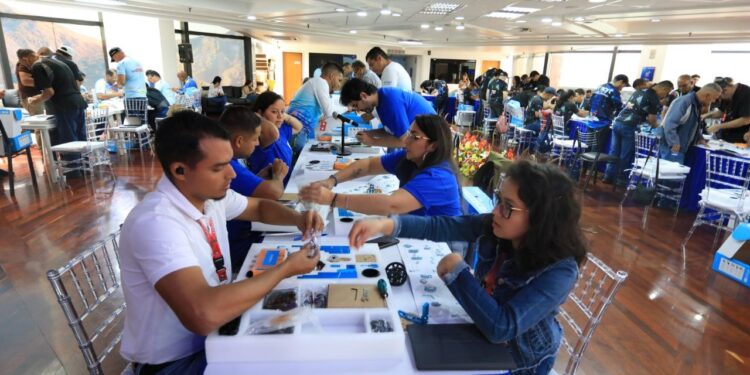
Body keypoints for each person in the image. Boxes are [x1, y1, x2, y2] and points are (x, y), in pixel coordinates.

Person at [118, 111, 323, 374]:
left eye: (229, 163)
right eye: (218, 168)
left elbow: (260, 208)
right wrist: (285, 269)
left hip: (217, 336)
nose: (232, 175)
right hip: (178, 362)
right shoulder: (157, 223)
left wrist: (299, 218)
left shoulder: (208, 196)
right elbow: (203, 314)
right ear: (179, 170)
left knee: (305, 348)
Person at [348, 161, 587, 375]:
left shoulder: (560, 271)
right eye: (498, 200)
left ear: (540, 217)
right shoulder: (497, 229)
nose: (495, 212)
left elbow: (501, 327)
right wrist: (386, 224)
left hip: (519, 360)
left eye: (508, 207)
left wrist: (457, 272)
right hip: (479, 331)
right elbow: (440, 226)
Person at [300, 114, 462, 217]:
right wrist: (331, 181)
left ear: (433, 145)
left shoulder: (438, 178)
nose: (406, 140)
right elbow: (370, 165)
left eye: (414, 136)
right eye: (409, 133)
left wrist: (334, 199)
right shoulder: (410, 158)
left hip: (443, 247)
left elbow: (391, 204)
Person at [217, 106, 290, 269]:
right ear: (239, 141)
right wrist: (278, 176)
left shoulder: (233, 161)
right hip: (239, 243)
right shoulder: (229, 165)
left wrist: (258, 178)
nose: (258, 143)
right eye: (255, 138)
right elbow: (274, 193)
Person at [601, 80, 674, 185]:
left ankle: (608, 176)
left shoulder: (640, 90)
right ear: (664, 89)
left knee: (614, 151)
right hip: (630, 127)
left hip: (618, 122)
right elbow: (652, 120)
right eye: (667, 92)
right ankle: (619, 179)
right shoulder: (653, 97)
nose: (665, 95)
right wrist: (661, 127)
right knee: (625, 155)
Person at [339, 78, 435, 148]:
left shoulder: (390, 101)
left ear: (364, 96)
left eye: (355, 105)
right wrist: (370, 133)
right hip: (423, 138)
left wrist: (371, 141)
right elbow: (391, 131)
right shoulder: (381, 99)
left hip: (433, 141)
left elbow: (404, 141)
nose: (357, 110)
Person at [28, 49, 88, 144]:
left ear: (26, 59)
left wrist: (36, 100)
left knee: (69, 142)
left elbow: (49, 92)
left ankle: (71, 159)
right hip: (78, 102)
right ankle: (84, 159)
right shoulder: (59, 63)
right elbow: (76, 84)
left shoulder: (38, 66)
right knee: (81, 139)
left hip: (64, 106)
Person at [286, 62, 343, 153]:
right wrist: (347, 108)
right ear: (332, 76)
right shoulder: (320, 82)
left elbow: (322, 115)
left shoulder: (315, 83)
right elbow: (329, 112)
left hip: (300, 131)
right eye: (339, 80)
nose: (339, 85)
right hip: (297, 132)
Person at [659, 83, 723, 164]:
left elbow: (694, 124)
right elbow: (670, 123)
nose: (713, 101)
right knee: (670, 174)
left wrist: (700, 138)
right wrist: (674, 143)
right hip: (672, 146)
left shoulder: (695, 103)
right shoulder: (685, 101)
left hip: (678, 145)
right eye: (714, 98)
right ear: (708, 95)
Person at [249, 91, 302, 186]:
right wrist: (257, 118)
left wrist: (285, 116)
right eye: (274, 112)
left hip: (288, 184)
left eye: (282, 111)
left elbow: (298, 127)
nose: (280, 116)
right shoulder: (261, 135)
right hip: (271, 191)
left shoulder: (281, 129)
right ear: (260, 112)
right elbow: (273, 134)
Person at [704, 79, 750, 143]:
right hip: (727, 136)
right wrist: (705, 116)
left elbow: (745, 120)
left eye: (719, 97)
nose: (718, 99)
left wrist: (719, 126)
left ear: (725, 90)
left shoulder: (746, 94)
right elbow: (721, 112)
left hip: (743, 138)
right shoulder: (727, 96)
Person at [15, 49, 43, 115]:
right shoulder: (23, 65)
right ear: (26, 59)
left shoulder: (28, 64)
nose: (37, 59)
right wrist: (45, 83)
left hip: (35, 96)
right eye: (35, 57)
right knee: (38, 120)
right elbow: (26, 81)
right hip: (31, 97)